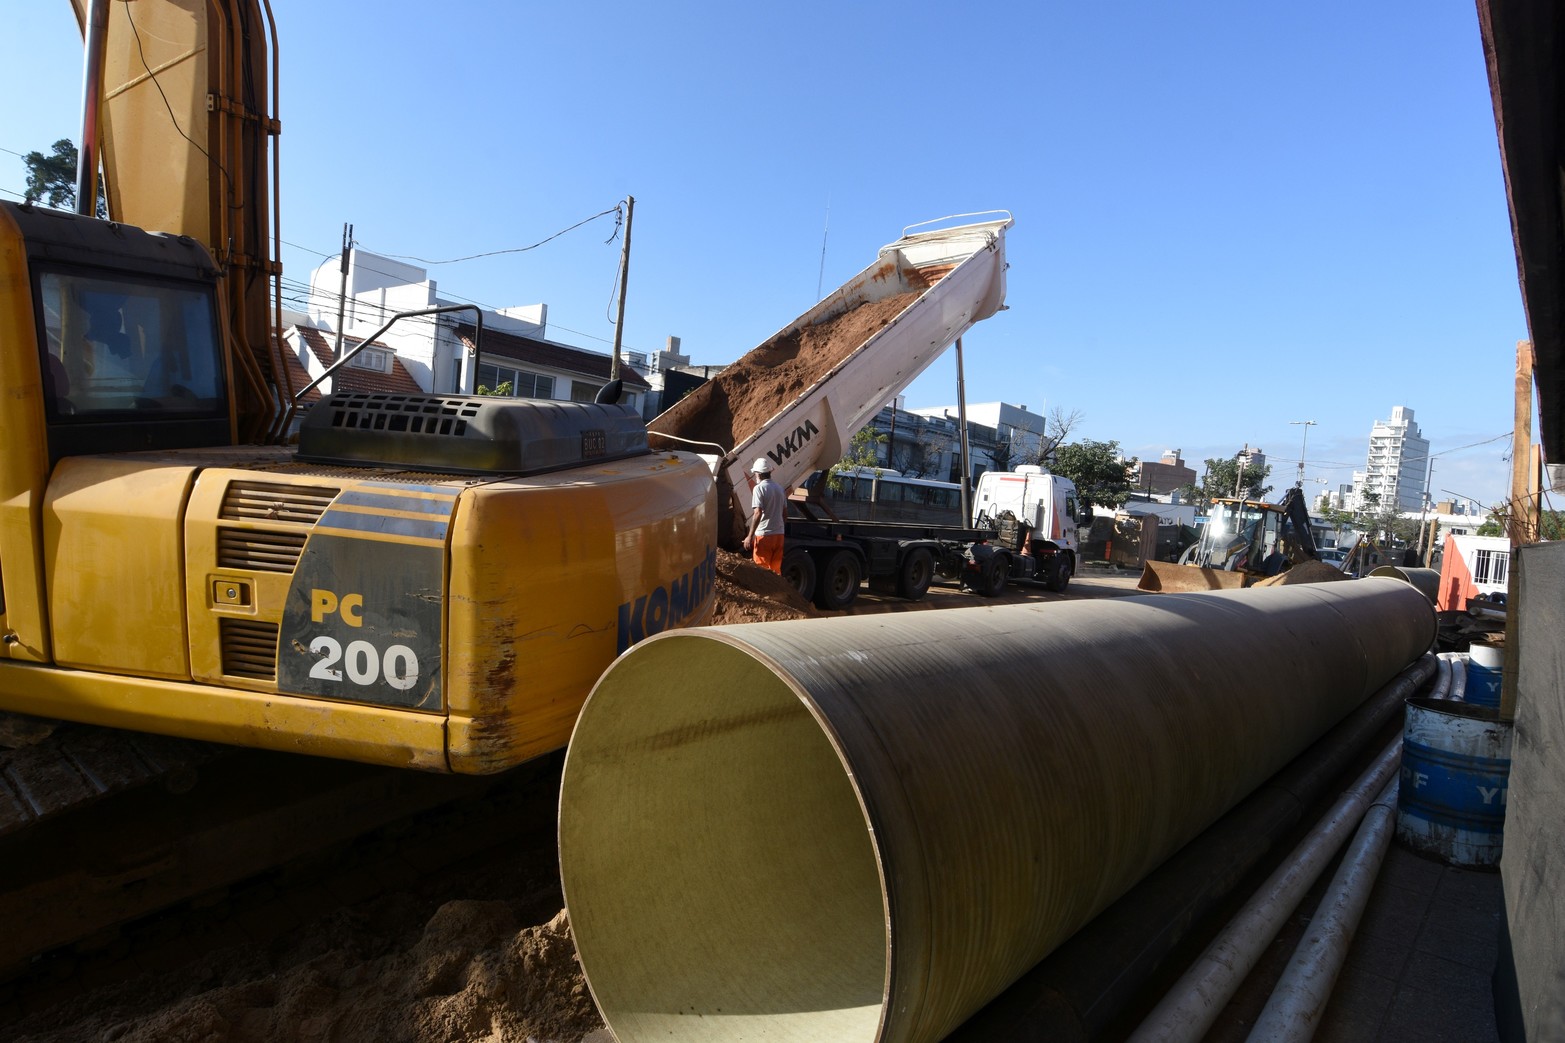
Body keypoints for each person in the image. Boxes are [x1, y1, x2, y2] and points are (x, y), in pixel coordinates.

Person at [742, 457, 786, 574]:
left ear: (758, 474)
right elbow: (784, 513)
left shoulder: (759, 488)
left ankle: (764, 593)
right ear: (770, 472)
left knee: (761, 572)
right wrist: (779, 527)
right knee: (776, 571)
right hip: (779, 535)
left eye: (755, 473)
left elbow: (757, 512)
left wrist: (749, 536)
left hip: (765, 535)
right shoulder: (780, 489)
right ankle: (777, 592)